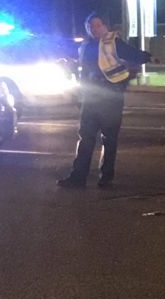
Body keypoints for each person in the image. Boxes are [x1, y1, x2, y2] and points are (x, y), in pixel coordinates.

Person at [57, 12, 152, 189]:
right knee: (86, 138)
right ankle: (78, 177)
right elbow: (83, 73)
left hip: (111, 96)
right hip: (91, 98)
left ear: (105, 26)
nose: (94, 29)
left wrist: (148, 56)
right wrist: (80, 95)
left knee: (109, 139)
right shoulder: (85, 45)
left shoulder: (112, 41)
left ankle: (106, 178)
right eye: (90, 26)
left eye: (97, 25)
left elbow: (132, 53)